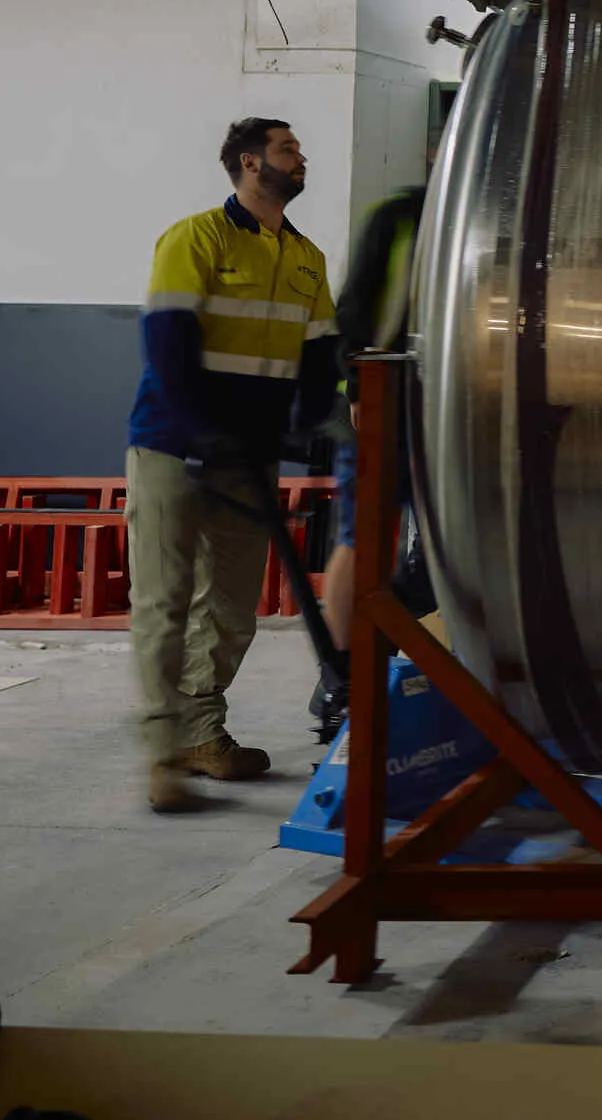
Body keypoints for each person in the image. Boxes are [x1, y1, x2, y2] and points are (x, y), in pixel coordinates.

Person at [126, 118, 338, 813]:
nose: (300, 157)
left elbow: (317, 361)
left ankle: (203, 733)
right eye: (287, 149)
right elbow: (169, 346)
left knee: (231, 606)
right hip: (172, 447)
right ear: (250, 163)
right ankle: (164, 756)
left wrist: (309, 430)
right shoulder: (195, 238)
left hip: (248, 458)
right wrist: (205, 432)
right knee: (164, 601)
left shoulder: (307, 257)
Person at [309, 186, 427, 741]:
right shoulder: (401, 215)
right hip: (382, 401)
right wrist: (359, 387)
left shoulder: (491, 211)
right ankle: (344, 675)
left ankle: (407, 658)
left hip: (453, 410)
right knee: (365, 536)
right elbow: (354, 310)